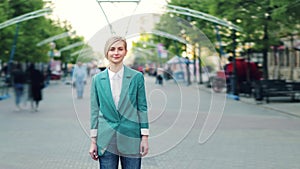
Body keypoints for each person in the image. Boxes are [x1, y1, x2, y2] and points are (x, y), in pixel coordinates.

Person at [89, 36, 149, 169]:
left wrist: (144, 137)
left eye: (120, 49)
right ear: (107, 53)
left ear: (125, 52)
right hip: (106, 139)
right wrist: (93, 141)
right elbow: (94, 111)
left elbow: (142, 108)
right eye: (112, 49)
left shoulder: (137, 77)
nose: (116, 53)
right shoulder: (97, 80)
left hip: (131, 137)